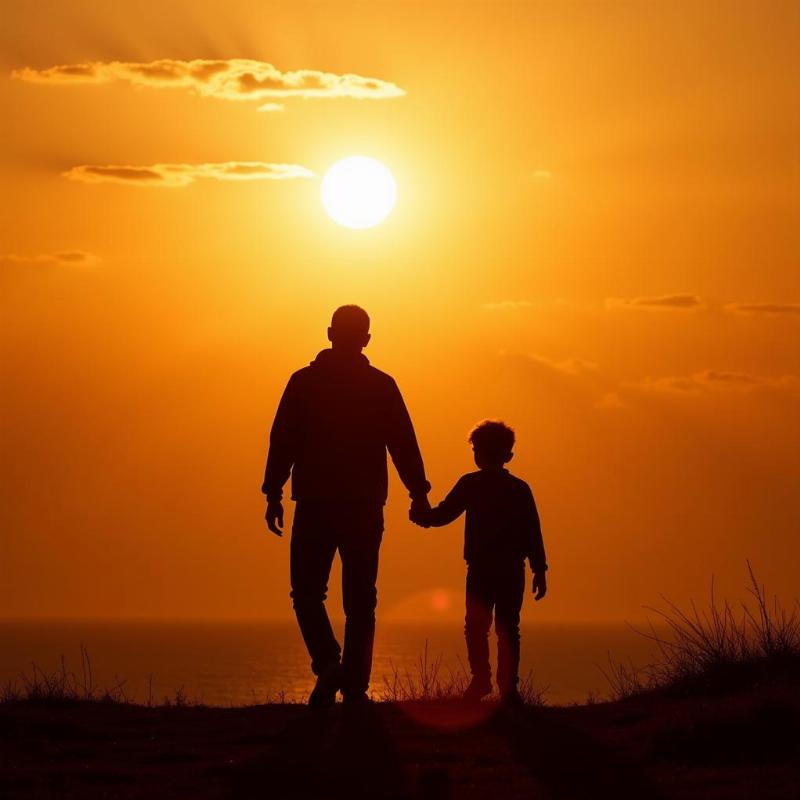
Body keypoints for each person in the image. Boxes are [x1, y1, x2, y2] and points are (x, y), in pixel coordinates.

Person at [262, 305, 431, 708]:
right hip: (361, 504)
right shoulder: (380, 385)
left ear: (329, 333)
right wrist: (418, 491)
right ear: (367, 339)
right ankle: (351, 684)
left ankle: (331, 667)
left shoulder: (304, 383)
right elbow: (403, 442)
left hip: (319, 503)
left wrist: (272, 492)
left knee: (307, 593)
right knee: (359, 600)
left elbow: (282, 439)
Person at [410, 420, 547, 705]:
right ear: (508, 455)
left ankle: (484, 681)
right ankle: (506, 687)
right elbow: (533, 531)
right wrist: (539, 568)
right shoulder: (518, 488)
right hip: (510, 569)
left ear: (477, 453)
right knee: (507, 628)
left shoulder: (472, 484)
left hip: (483, 568)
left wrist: (422, 517)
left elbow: (444, 514)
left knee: (477, 627)